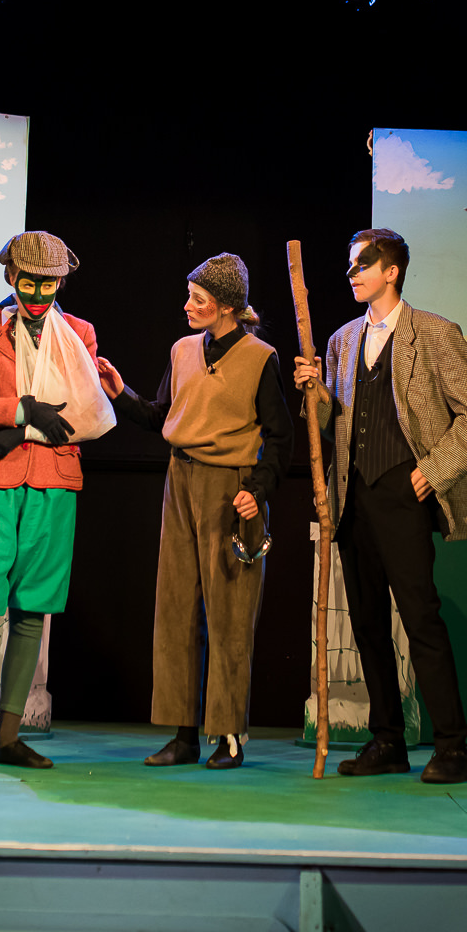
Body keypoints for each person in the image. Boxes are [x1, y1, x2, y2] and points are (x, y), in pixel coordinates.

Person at [293, 228, 467, 785]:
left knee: (420, 619)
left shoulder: (433, 334)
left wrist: (433, 470)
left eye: (364, 264)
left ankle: (452, 747)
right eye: (350, 265)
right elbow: (336, 422)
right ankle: (388, 740)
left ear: (392, 271)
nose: (353, 273)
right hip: (354, 497)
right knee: (366, 625)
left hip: (404, 495)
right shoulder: (342, 341)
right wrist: (315, 391)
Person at [98, 253, 292, 770]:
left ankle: (228, 735)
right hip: (179, 481)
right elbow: (164, 415)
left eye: (198, 299)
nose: (187, 306)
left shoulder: (259, 358)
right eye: (189, 296)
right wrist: (122, 394)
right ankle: (182, 734)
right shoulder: (183, 350)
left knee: (230, 614)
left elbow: (280, 437)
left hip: (231, 488)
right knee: (176, 608)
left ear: (227, 307)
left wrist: (258, 491)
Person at [0, 231, 117, 770]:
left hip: (53, 480)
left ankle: (9, 737)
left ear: (61, 283)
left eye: (48, 284)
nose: (38, 296)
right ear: (11, 277)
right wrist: (18, 410)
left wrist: (22, 430)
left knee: (33, 606)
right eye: (28, 283)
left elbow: (83, 412)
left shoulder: (78, 333)